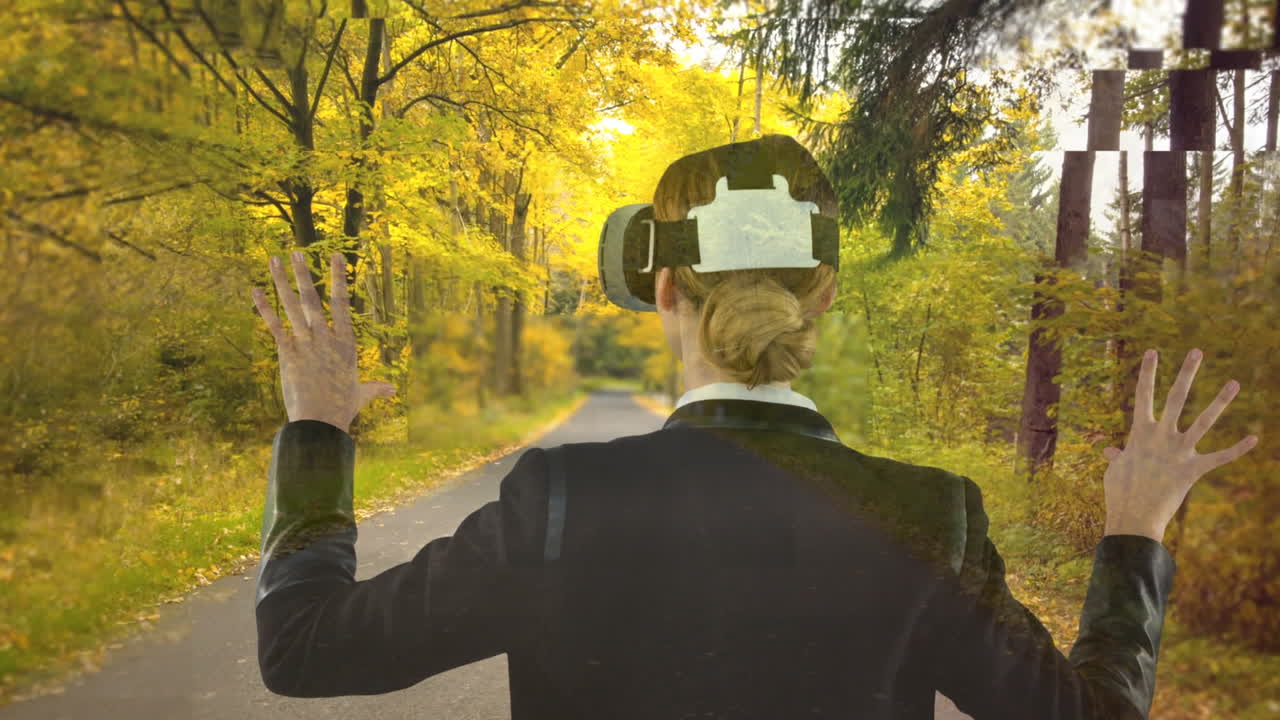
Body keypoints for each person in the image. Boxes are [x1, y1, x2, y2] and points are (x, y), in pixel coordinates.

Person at [252, 135, 1258, 718]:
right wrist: (1132, 532)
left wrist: (317, 434)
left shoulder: (556, 505)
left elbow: (302, 649)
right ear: (821, 296)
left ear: (656, 289)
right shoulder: (930, 517)